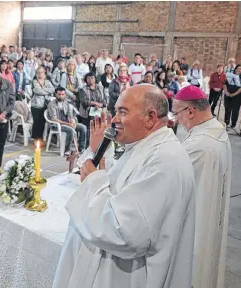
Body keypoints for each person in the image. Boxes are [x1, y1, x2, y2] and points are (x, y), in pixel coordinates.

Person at [53, 85, 196, 288]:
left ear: (150, 117)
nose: (114, 119)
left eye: (123, 112)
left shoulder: (165, 161)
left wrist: (94, 182)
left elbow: (125, 232)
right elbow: (123, 186)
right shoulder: (146, 147)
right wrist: (97, 155)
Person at [171, 86, 231, 288]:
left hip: (196, 228)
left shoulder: (199, 145)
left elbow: (171, 188)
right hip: (210, 220)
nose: (176, 120)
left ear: (190, 111)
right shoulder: (217, 132)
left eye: (177, 113)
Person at [47, 87, 87, 155]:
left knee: (83, 127)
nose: (61, 96)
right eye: (59, 94)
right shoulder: (51, 104)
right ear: (55, 94)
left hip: (67, 123)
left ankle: (81, 149)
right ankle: (67, 150)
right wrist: (68, 124)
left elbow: (69, 115)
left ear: (65, 94)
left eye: (63, 94)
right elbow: (54, 119)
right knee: (71, 130)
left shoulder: (66, 103)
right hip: (57, 125)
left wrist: (72, 121)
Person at [31, 67, 55, 142]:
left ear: (44, 73)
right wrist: (47, 91)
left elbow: (53, 89)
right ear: (36, 73)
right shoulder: (34, 81)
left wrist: (43, 89)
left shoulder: (47, 81)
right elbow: (38, 91)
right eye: (38, 72)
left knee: (43, 122)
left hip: (46, 104)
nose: (40, 74)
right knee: (37, 122)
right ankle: (36, 138)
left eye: (42, 72)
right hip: (36, 105)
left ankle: (40, 138)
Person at [223, 64, 241, 129]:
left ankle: (233, 124)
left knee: (235, 111)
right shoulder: (230, 75)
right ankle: (226, 123)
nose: (239, 70)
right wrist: (226, 91)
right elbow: (225, 84)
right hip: (228, 94)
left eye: (240, 69)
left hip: (237, 96)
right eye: (238, 68)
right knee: (227, 109)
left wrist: (234, 94)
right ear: (235, 69)